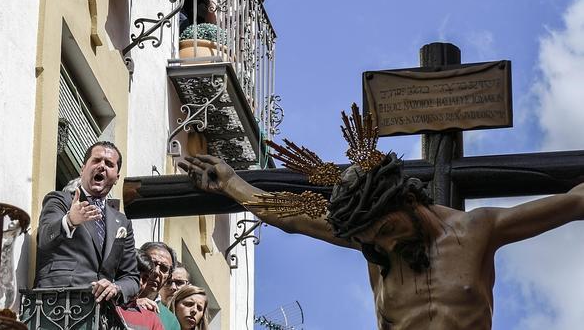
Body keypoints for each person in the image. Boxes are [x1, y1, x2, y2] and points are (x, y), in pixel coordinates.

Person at [179, 103, 584, 330]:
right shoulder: (371, 243)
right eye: (374, 241)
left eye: (387, 229)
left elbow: (574, 203)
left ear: (406, 200)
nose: (386, 246)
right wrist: (232, 184)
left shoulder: (478, 230)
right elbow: (292, 217)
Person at [34, 141, 139, 304]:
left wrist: (116, 287)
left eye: (109, 164)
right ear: (83, 169)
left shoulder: (122, 222)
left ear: (117, 177)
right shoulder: (60, 200)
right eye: (96, 160)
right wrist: (70, 221)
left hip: (99, 312)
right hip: (58, 304)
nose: (102, 166)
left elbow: (131, 278)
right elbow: (44, 239)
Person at [116, 250, 165, 330]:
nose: (140, 282)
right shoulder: (102, 306)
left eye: (145, 278)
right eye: (134, 275)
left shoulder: (151, 319)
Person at [137, 241, 181, 330]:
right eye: (152, 263)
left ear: (168, 277)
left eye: (164, 268)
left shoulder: (171, 321)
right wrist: (133, 305)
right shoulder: (117, 296)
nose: (156, 271)